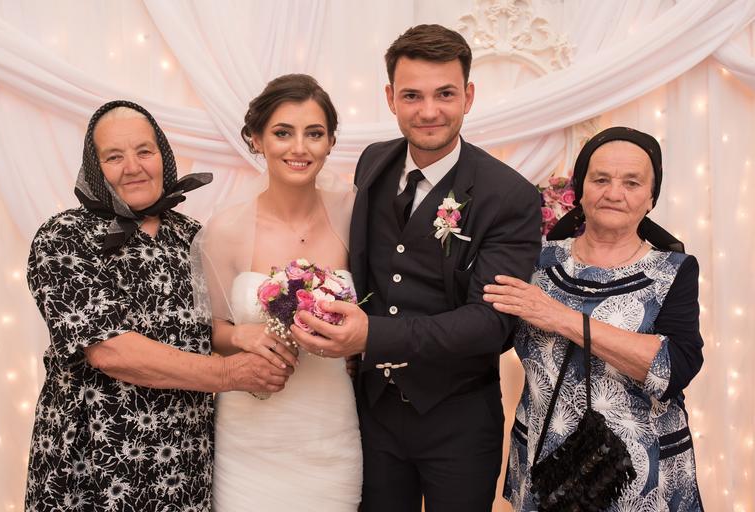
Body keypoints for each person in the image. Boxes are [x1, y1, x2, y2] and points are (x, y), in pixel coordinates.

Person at [290, 25, 541, 511]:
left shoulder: (509, 196)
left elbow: (491, 324)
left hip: (459, 421)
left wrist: (372, 336)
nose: (429, 111)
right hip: (371, 413)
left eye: (445, 93)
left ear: (469, 96)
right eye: (412, 96)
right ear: (390, 98)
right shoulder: (373, 162)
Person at [24, 100, 291, 512]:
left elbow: (201, 327)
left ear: (163, 155)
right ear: (94, 168)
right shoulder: (64, 236)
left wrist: (250, 336)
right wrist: (228, 373)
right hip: (95, 464)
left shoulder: (193, 236)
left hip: (183, 463)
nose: (133, 167)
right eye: (114, 157)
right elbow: (109, 350)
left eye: (144, 151)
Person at [484, 127, 704, 510]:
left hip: (638, 476)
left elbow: (674, 367)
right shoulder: (535, 260)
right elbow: (486, 332)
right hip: (545, 465)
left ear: (651, 197)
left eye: (632, 183)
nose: (614, 193)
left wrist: (561, 318)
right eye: (601, 179)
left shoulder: (673, 270)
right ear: (580, 190)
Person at [195, 74, 362, 511]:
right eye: (283, 133)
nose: (299, 148)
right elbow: (206, 330)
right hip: (250, 433)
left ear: (331, 142)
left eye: (314, 134)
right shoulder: (226, 229)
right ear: (257, 139)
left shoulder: (355, 216)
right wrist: (240, 335)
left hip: (330, 429)